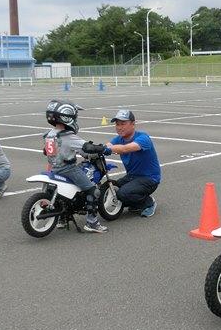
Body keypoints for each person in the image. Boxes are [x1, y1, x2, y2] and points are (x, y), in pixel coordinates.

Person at [43, 99, 106, 233]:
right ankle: (92, 222)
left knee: (64, 194)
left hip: (54, 168)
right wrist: (101, 148)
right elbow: (86, 147)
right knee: (92, 191)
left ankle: (62, 218)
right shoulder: (68, 135)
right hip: (68, 169)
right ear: (68, 116)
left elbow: (48, 151)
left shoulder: (50, 134)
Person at [108, 109, 160, 217]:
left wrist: (109, 149)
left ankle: (149, 203)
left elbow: (126, 149)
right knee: (112, 188)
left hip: (149, 179)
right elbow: (107, 145)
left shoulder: (143, 138)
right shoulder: (119, 139)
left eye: (123, 124)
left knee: (123, 194)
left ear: (133, 124)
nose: (119, 127)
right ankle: (135, 202)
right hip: (132, 176)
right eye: (117, 124)